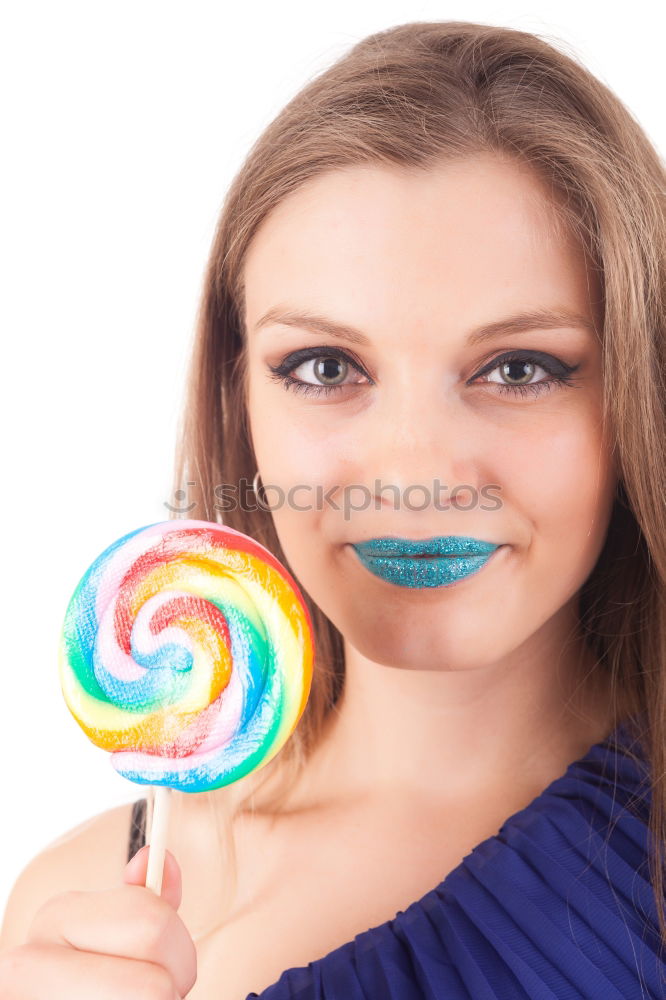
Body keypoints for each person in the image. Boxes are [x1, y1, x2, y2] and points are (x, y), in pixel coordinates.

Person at [1, 19, 665, 1000]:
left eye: (522, 367)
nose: (415, 468)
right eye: (324, 366)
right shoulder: (83, 913)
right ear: (240, 396)